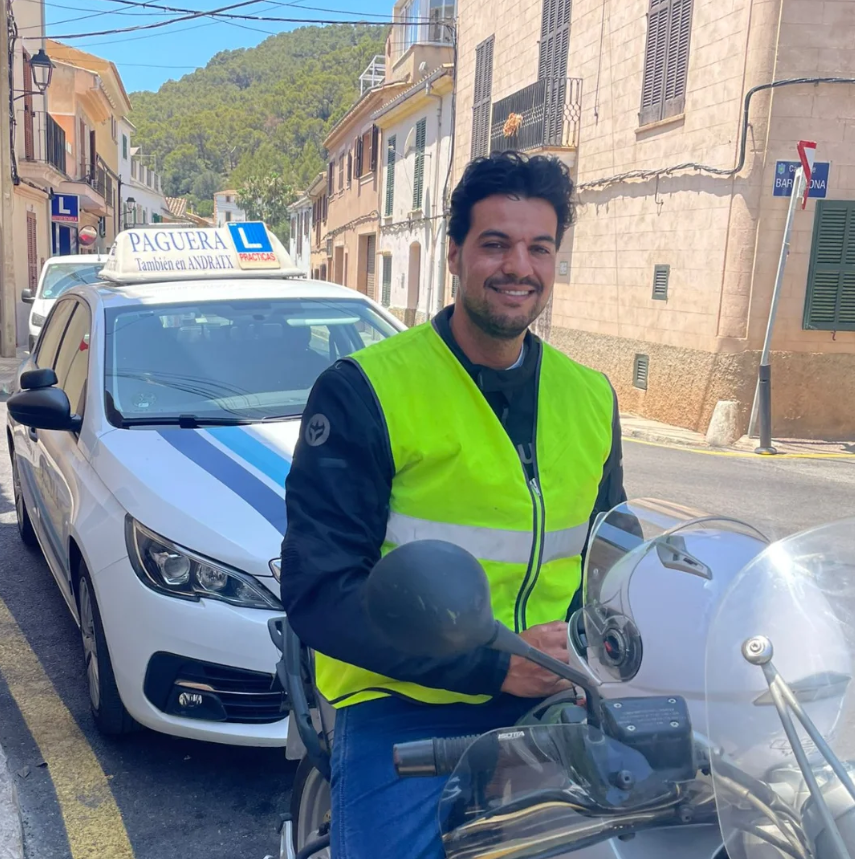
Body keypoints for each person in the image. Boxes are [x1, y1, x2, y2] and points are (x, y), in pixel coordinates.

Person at [279, 150, 626, 858]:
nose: (518, 267)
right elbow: (320, 589)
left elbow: (615, 554)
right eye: (495, 244)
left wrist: (613, 643)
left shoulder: (590, 395)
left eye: (539, 248)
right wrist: (494, 668)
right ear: (454, 254)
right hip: (403, 699)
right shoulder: (364, 390)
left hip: (558, 689)